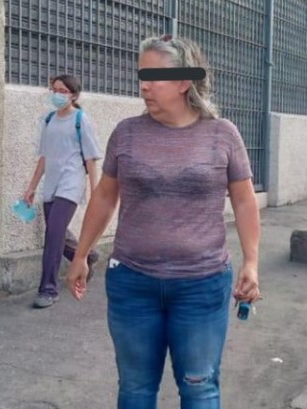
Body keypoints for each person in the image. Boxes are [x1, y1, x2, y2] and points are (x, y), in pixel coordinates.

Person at [66, 35, 261, 409]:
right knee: (136, 389)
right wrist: (81, 255)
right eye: (143, 74)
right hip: (132, 284)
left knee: (200, 387)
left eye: (156, 75)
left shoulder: (222, 134)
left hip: (201, 286)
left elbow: (244, 199)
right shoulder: (127, 132)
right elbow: (106, 195)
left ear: (185, 81)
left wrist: (251, 262)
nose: (144, 84)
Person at [24, 74, 102, 309]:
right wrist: (31, 188)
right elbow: (44, 158)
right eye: (54, 90)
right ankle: (88, 256)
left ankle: (48, 289)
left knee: (53, 235)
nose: (57, 94)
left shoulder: (81, 120)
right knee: (56, 233)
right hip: (52, 184)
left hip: (71, 183)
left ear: (74, 95)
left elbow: (90, 160)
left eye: (62, 90)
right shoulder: (48, 120)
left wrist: (95, 193)